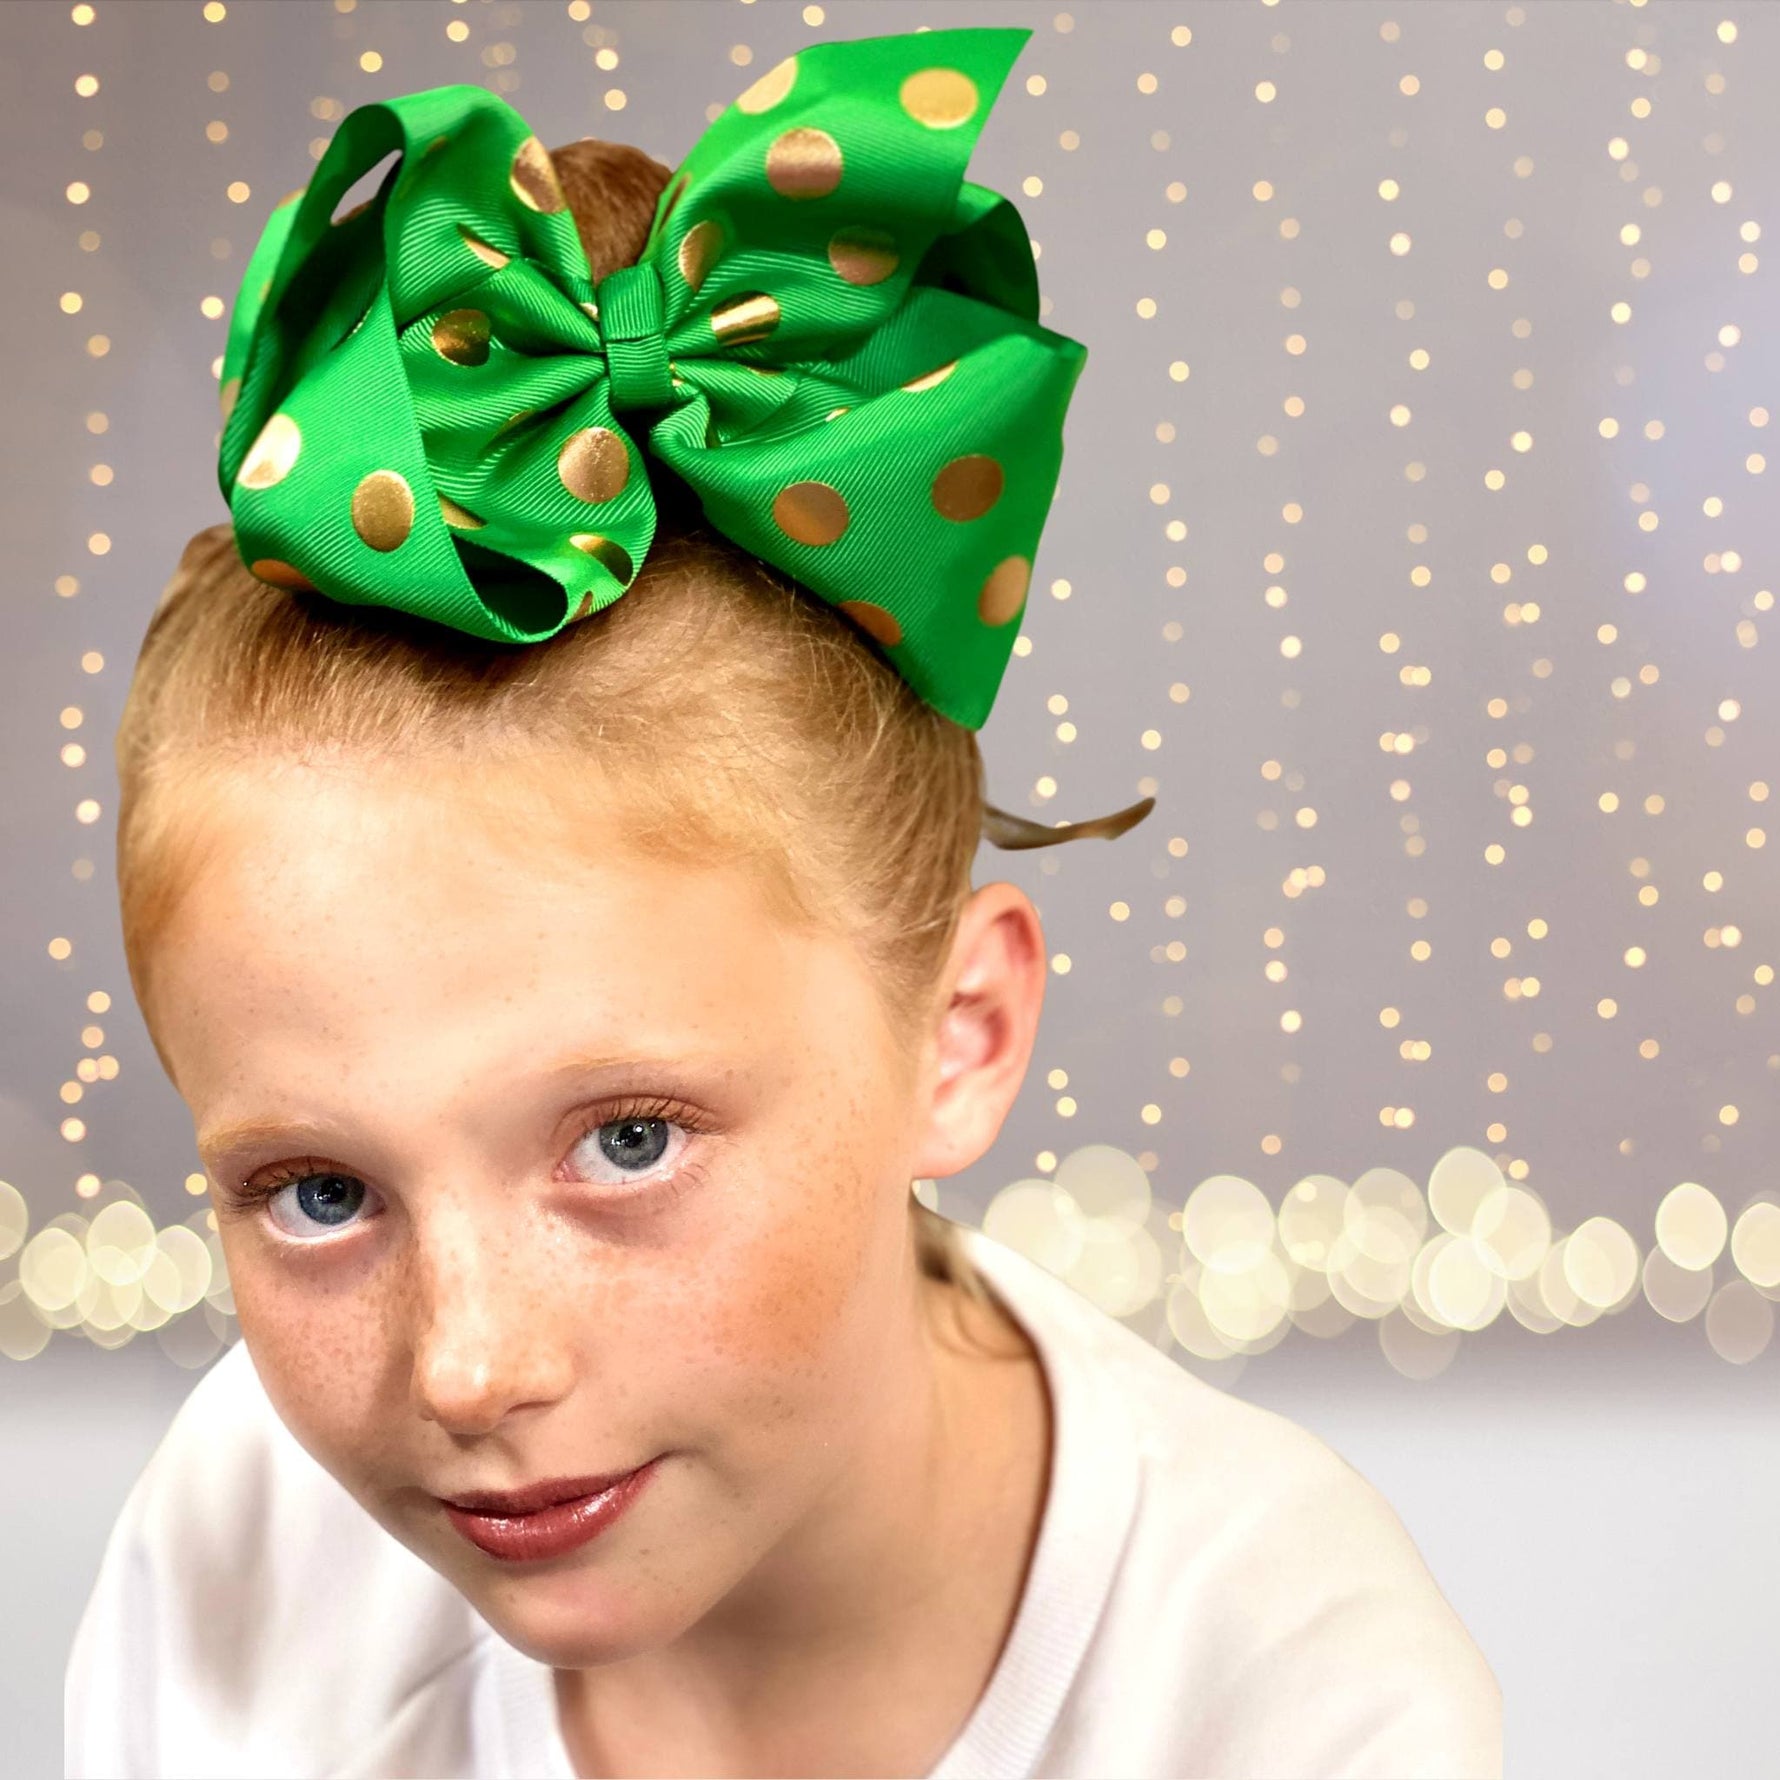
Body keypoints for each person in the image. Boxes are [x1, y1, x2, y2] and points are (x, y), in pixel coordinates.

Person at [65, 26, 1501, 1780]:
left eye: (629, 1142)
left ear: (956, 1036)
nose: (470, 1368)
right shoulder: (241, 1553)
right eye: (320, 1191)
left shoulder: (1283, 1692)